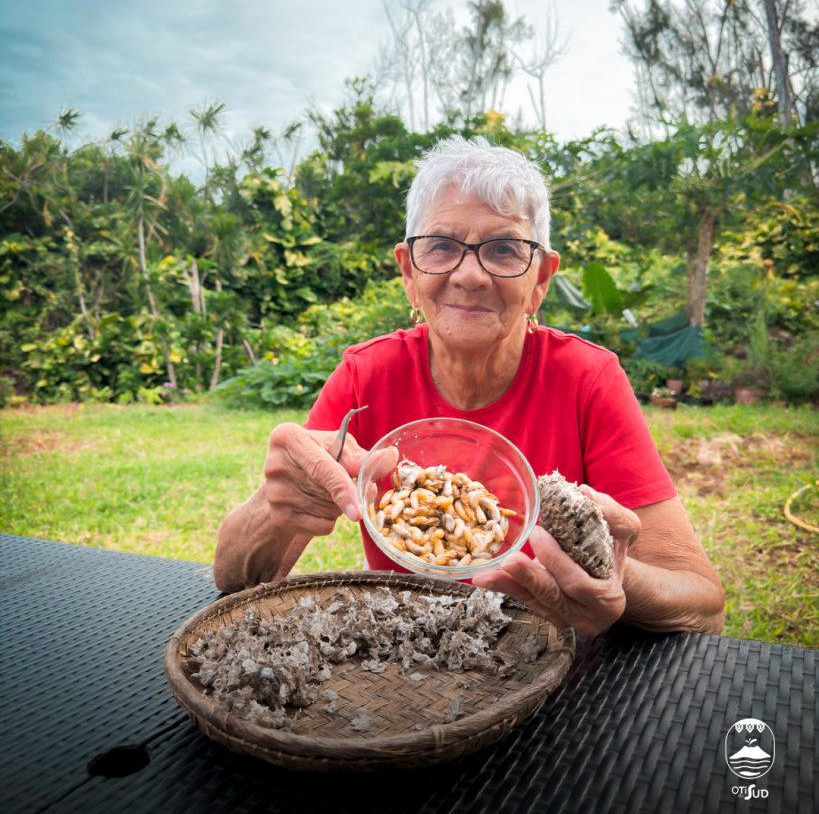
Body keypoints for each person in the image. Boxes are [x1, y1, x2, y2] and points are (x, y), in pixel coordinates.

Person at [214, 136, 725, 638]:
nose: (470, 275)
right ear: (409, 273)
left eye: (503, 250)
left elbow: (702, 604)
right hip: (416, 663)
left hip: (560, 671)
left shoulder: (586, 379)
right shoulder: (366, 375)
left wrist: (612, 573)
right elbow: (236, 579)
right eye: (441, 247)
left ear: (541, 279)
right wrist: (274, 507)